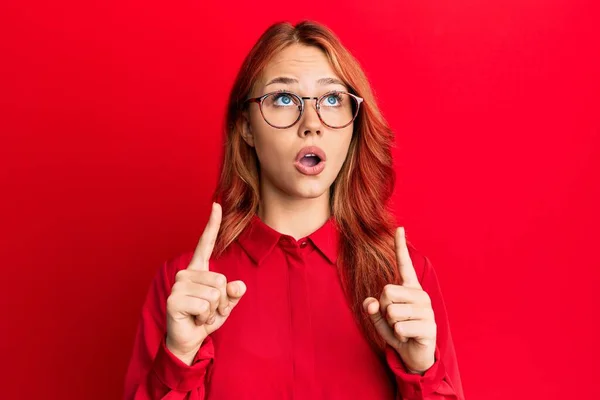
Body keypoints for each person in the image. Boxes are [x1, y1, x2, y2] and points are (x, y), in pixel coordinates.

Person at [124, 20, 465, 400]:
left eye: (332, 99)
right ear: (246, 128)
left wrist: (422, 372)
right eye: (284, 99)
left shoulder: (404, 283)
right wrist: (179, 358)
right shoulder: (186, 286)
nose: (311, 124)